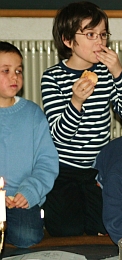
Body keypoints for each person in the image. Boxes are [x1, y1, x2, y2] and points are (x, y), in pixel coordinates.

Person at [41, 1, 122, 237]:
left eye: (103, 34)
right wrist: (75, 102)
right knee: (67, 229)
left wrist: (118, 72)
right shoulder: (52, 78)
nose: (100, 42)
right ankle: (44, 205)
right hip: (63, 169)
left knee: (104, 226)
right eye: (90, 34)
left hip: (97, 170)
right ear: (68, 40)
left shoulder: (107, 75)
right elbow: (60, 136)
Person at [0, 41, 59, 248]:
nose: (14, 76)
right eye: (5, 71)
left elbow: (46, 162)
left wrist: (30, 192)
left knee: (27, 236)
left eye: (18, 70)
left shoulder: (32, 114)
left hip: (21, 198)